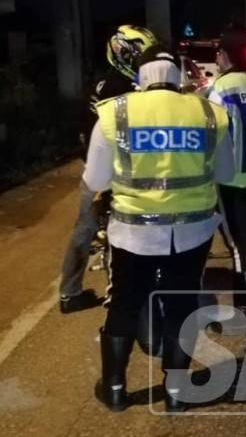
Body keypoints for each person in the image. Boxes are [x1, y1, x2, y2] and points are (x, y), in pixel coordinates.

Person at [85, 45, 234, 412]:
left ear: (141, 74)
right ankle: (176, 394)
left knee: (124, 303)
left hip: (132, 233)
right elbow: (226, 173)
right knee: (182, 305)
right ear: (177, 74)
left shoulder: (113, 112)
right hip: (192, 231)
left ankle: (116, 389)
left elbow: (95, 179)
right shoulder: (209, 113)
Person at [59, 25, 157, 314]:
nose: (144, 65)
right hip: (107, 167)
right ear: (124, 57)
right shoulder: (117, 88)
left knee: (89, 226)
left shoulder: (113, 84)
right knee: (87, 226)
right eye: (140, 59)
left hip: (113, 164)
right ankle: (70, 292)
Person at [205, 25, 246, 327]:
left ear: (224, 55)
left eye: (218, 53)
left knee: (236, 245)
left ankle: (244, 310)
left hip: (231, 177)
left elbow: (212, 133)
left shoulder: (220, 89)